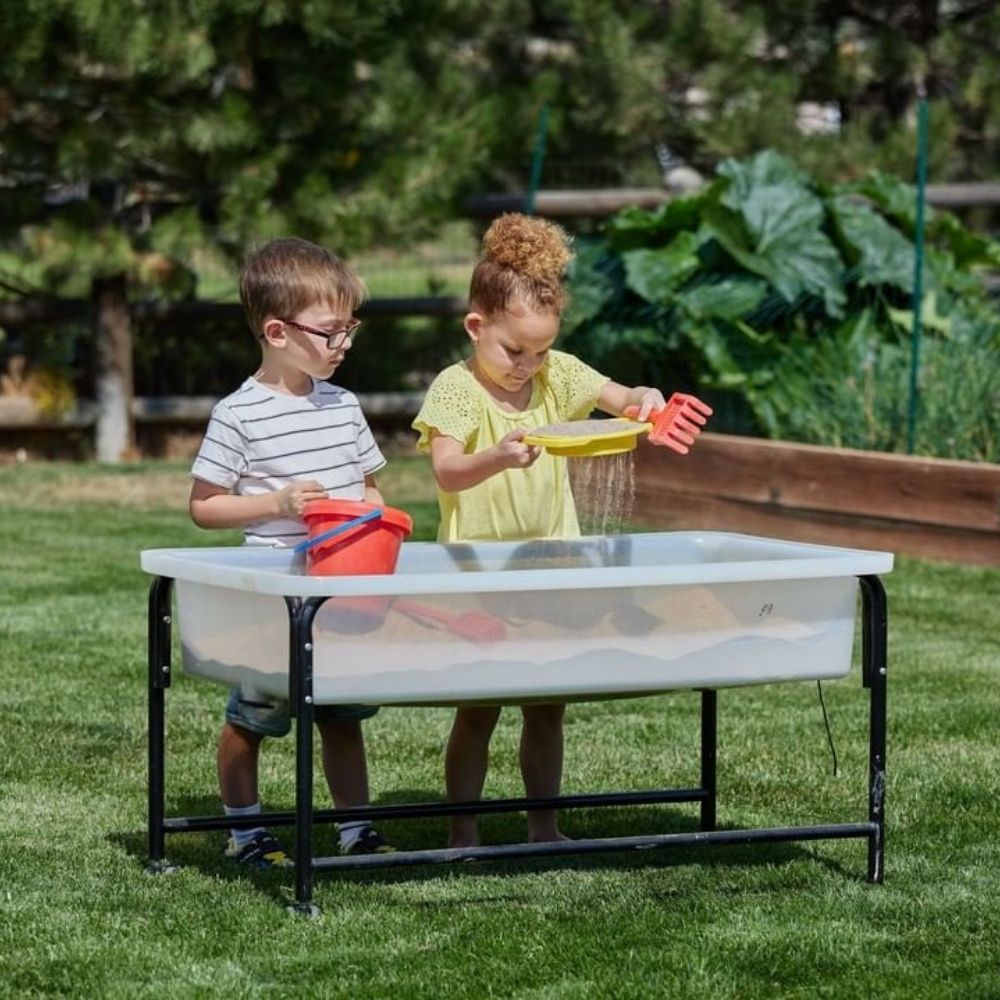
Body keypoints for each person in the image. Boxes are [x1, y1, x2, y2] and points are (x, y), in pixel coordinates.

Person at [412, 213, 668, 848]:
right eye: (512, 350)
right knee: (479, 708)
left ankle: (543, 827)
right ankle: (462, 830)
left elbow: (622, 397)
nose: (527, 365)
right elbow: (446, 472)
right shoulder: (456, 390)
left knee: (547, 707)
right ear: (476, 327)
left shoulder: (558, 373)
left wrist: (648, 399)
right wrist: (496, 455)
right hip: (480, 572)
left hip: (556, 565)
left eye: (539, 351)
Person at [189, 237, 393, 866]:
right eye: (332, 332)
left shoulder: (344, 405)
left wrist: (371, 520)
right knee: (254, 715)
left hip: (339, 593)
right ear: (277, 332)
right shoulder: (238, 415)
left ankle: (355, 829)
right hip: (273, 596)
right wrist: (277, 504)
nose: (346, 344)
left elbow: (369, 488)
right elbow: (204, 506)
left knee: (341, 714)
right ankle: (246, 832)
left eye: (349, 328)